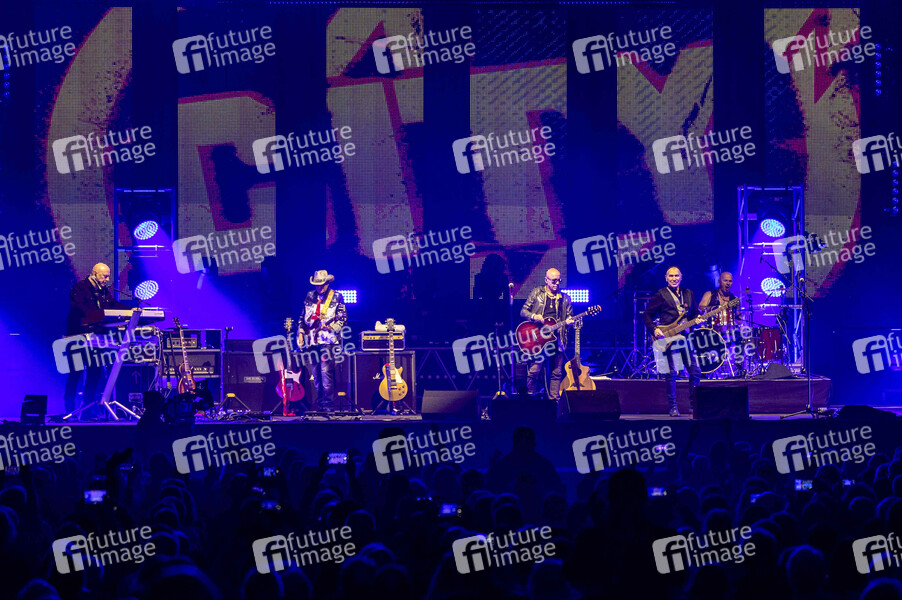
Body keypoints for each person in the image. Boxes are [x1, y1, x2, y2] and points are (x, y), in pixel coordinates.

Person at [63, 263, 128, 415]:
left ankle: (87, 411)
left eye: (108, 276)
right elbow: (82, 310)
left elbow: (113, 305)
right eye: (104, 276)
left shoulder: (103, 291)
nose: (107, 279)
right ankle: (69, 411)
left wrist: (130, 310)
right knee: (75, 374)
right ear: (94, 274)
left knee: (95, 373)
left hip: (95, 340)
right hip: (77, 338)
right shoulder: (80, 288)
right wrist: (102, 314)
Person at [643, 266, 702, 417]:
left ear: (681, 277)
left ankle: (694, 407)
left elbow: (694, 314)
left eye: (676, 276)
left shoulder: (688, 293)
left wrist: (698, 320)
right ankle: (673, 407)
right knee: (671, 373)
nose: (674, 278)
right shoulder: (661, 294)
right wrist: (654, 329)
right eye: (671, 276)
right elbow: (647, 315)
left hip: (686, 337)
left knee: (695, 371)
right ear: (666, 278)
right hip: (669, 337)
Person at [520, 268, 574, 401]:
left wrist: (569, 323)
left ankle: (554, 401)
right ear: (546, 280)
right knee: (534, 371)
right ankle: (530, 399)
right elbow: (523, 311)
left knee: (557, 372)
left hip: (557, 339)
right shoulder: (537, 292)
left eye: (559, 280)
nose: (557, 283)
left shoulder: (565, 299)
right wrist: (534, 316)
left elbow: (569, 317)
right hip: (539, 338)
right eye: (554, 281)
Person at [298, 270, 347, 413]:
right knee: (316, 374)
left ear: (328, 283)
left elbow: (342, 318)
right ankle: (320, 404)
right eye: (317, 284)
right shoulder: (310, 296)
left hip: (328, 340)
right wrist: (301, 334)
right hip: (312, 341)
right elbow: (302, 318)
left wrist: (331, 327)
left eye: (322, 284)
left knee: (326, 372)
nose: (320, 287)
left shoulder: (336, 296)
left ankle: (329, 405)